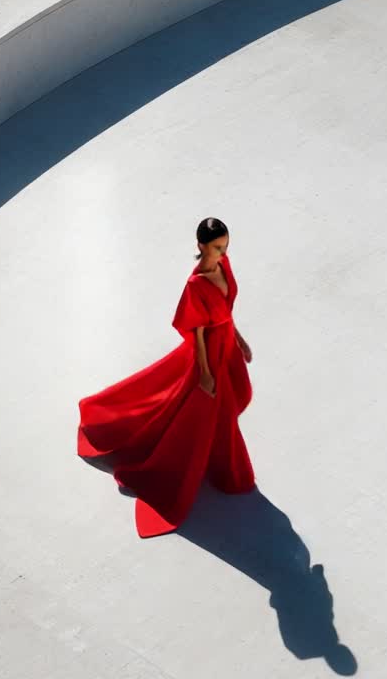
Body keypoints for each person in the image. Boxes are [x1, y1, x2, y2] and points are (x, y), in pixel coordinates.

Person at [77, 217, 256, 537]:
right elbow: (197, 332)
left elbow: (227, 312)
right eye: (216, 247)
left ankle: (216, 459)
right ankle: (231, 474)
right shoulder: (195, 285)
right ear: (201, 246)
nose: (222, 252)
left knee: (232, 395)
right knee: (216, 410)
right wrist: (204, 373)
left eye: (226, 246)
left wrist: (239, 340)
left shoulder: (224, 266)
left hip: (226, 343)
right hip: (209, 354)